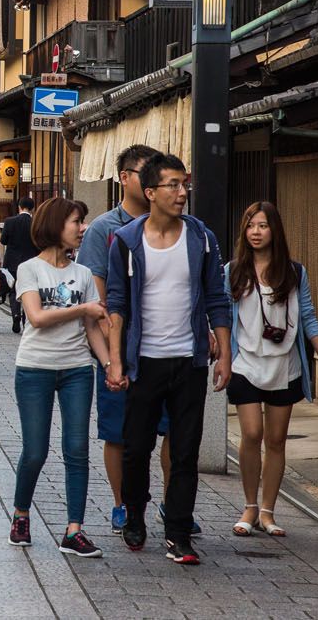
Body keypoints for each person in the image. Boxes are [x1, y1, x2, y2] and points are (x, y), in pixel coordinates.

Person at [104, 153, 232, 566]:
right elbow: (118, 304)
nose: (182, 193)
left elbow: (217, 298)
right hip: (144, 360)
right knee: (136, 448)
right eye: (173, 185)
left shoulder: (201, 238)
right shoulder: (126, 240)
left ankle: (179, 532)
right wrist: (116, 361)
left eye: (184, 185)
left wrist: (225, 352)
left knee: (185, 451)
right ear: (151, 191)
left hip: (189, 359)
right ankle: (136, 515)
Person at [77, 144, 181, 535]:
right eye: (145, 172)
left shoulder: (179, 225)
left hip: (168, 345)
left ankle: (173, 504)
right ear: (124, 178)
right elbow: (98, 299)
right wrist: (112, 356)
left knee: (173, 429)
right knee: (118, 432)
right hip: (121, 349)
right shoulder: (106, 228)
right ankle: (122, 504)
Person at [7, 198, 110, 557]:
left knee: (77, 450)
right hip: (35, 368)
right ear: (55, 225)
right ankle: (21, 515)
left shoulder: (83, 275)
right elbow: (35, 317)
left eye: (82, 222)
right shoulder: (29, 269)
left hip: (77, 370)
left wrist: (109, 365)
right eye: (76, 222)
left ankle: (74, 531)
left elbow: (92, 327)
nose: (82, 228)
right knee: (35, 451)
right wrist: (83, 307)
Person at [226, 201, 318, 538]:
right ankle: (249, 506)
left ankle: (269, 511)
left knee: (275, 440)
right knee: (252, 433)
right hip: (245, 362)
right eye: (250, 226)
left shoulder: (294, 272)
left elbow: (308, 316)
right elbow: (220, 315)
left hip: (284, 364)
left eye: (262, 226)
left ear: (274, 230)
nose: (256, 232)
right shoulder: (232, 270)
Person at [1, 198, 40, 334]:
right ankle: (25, 319)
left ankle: (15, 315)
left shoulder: (10, 221)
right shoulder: (36, 223)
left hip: (12, 261)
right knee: (28, 291)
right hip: (31, 262)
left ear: (19, 207)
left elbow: (3, 240)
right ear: (33, 208)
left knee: (13, 290)